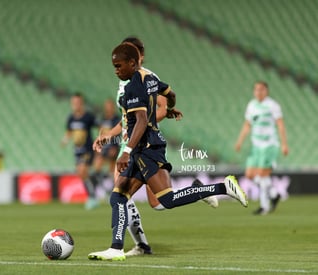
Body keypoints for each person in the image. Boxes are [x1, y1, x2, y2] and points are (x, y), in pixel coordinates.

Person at [88, 43, 248, 261]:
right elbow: (169, 93)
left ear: (133, 62)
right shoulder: (149, 78)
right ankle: (117, 248)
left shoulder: (133, 85)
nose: (116, 70)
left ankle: (222, 187)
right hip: (145, 146)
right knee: (118, 196)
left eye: (118, 66)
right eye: (114, 66)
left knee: (165, 201)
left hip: (145, 148)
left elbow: (141, 121)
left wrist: (126, 151)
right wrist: (169, 108)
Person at [235, 81, 289, 215]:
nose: (259, 92)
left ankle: (264, 207)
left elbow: (280, 125)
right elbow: (247, 124)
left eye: (262, 89)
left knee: (262, 175)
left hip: (269, 145)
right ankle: (274, 193)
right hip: (256, 146)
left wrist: (284, 144)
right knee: (249, 174)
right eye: (257, 90)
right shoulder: (252, 105)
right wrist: (239, 141)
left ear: (267, 91)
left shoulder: (272, 105)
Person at [61, 93, 99, 210]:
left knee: (83, 170)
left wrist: (100, 139)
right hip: (77, 150)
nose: (76, 104)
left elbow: (99, 126)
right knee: (81, 174)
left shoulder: (88, 116)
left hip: (87, 149)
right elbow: (69, 131)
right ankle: (93, 192)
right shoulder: (71, 118)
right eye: (74, 102)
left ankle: (92, 197)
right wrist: (65, 140)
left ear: (81, 103)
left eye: (78, 102)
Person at [92, 99, 120, 185]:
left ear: (113, 107)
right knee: (97, 164)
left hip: (113, 146)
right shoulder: (102, 119)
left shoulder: (117, 119)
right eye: (107, 106)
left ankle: (112, 186)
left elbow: (118, 134)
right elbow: (100, 132)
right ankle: (102, 184)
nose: (108, 108)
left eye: (110, 106)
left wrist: (115, 147)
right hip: (104, 146)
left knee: (112, 168)